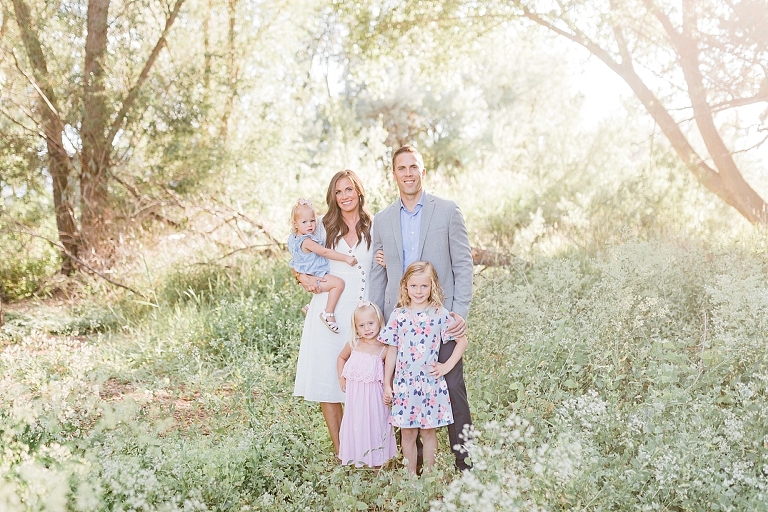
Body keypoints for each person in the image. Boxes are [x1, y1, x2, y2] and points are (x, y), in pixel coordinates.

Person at [370, 145, 475, 471]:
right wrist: (375, 319)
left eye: (414, 166)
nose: (408, 173)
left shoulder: (446, 211)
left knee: (452, 385)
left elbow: (463, 264)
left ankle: (465, 461)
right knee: (406, 391)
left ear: (423, 171)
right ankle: (412, 465)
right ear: (394, 174)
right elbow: (377, 273)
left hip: (440, 320)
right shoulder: (383, 219)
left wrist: (458, 313)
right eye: (402, 168)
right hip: (401, 323)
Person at [293, 170, 374, 456]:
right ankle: (342, 452)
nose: (344, 197)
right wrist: (300, 277)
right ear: (333, 196)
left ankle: (365, 450)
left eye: (349, 190)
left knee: (362, 383)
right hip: (329, 311)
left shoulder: (373, 226)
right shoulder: (323, 227)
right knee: (329, 380)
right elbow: (297, 254)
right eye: (338, 192)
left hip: (362, 318)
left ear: (358, 191)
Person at [381, 261, 468, 475]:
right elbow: (391, 351)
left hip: (430, 385)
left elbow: (462, 341)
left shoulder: (439, 313)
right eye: (414, 286)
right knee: (408, 435)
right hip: (404, 385)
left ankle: (430, 479)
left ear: (432, 287)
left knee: (429, 433)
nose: (419, 291)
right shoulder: (398, 315)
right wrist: (387, 383)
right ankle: (411, 479)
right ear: (405, 287)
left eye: (424, 286)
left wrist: (446, 367)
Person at [336, 301, 398, 468]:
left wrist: (388, 390)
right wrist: (342, 377)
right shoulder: (354, 344)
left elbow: (389, 373)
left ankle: (378, 463)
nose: (367, 329)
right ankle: (356, 459)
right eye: (362, 325)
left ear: (379, 321)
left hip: (374, 400)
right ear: (356, 328)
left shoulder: (384, 348)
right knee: (357, 426)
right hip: (355, 400)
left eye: (370, 323)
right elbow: (341, 358)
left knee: (375, 427)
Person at [288, 198, 358, 332]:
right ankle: (328, 313)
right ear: (295, 224)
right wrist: (346, 258)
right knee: (338, 284)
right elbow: (325, 252)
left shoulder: (292, 238)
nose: (310, 225)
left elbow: (294, 260)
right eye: (304, 222)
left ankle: (312, 306)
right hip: (316, 276)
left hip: (309, 274)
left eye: (312, 221)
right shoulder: (307, 241)